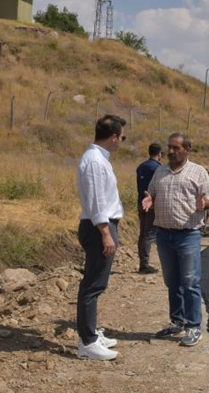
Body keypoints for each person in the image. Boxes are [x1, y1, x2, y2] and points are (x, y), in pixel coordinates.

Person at [141, 133, 209, 347]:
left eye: (176, 148)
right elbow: (152, 193)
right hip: (163, 234)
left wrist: (205, 204)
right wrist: (149, 199)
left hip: (188, 234)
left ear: (187, 150)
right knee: (172, 281)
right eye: (169, 147)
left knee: (190, 281)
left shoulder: (198, 172)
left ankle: (193, 326)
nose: (171, 152)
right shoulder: (160, 171)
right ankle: (178, 321)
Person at [75, 115, 126, 361]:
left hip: (100, 225)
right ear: (114, 137)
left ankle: (92, 332)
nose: (121, 141)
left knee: (96, 283)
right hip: (98, 228)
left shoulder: (99, 159)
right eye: (122, 137)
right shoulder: (95, 161)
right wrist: (106, 232)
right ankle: (88, 342)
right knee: (93, 284)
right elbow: (96, 201)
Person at [135, 143, 162, 274]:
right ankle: (144, 265)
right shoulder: (158, 168)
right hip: (151, 203)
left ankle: (142, 262)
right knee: (150, 234)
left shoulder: (141, 166)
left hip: (141, 201)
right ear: (160, 154)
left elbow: (138, 186)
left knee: (143, 233)